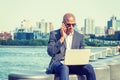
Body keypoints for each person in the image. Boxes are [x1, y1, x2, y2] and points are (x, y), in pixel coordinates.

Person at [46, 13, 96, 80]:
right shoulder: (54, 34)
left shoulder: (79, 36)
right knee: (64, 68)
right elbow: (51, 52)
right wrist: (62, 38)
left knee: (89, 67)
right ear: (63, 24)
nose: (71, 27)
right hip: (58, 64)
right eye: (68, 24)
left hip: (74, 65)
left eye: (73, 24)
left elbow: (82, 53)